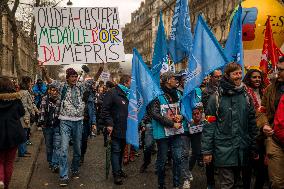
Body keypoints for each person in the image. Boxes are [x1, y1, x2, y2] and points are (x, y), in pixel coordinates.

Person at [202, 62, 258, 189]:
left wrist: (254, 145)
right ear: (227, 75)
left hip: (242, 149)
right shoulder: (216, 98)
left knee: (239, 184)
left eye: (240, 73)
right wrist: (207, 151)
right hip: (224, 149)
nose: (238, 76)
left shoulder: (246, 96)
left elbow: (252, 123)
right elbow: (209, 126)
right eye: (235, 74)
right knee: (227, 184)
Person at [41, 67, 97, 187]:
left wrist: (101, 68)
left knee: (77, 148)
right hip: (65, 121)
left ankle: (75, 169)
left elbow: (94, 80)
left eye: (76, 76)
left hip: (78, 122)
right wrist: (44, 71)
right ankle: (64, 175)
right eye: (72, 76)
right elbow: (50, 81)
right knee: (64, 148)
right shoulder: (62, 86)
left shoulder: (81, 86)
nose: (74, 78)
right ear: (67, 78)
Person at [149, 71, 184, 189]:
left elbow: (183, 109)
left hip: (176, 132)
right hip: (162, 134)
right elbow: (154, 114)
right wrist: (172, 123)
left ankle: (176, 184)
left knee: (178, 158)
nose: (178, 80)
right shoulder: (156, 95)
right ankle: (161, 184)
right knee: (162, 160)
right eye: (175, 78)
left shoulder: (179, 93)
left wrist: (182, 116)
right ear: (168, 80)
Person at [258, 56, 284, 189]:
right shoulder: (270, 89)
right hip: (275, 140)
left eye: (281, 70)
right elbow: (261, 111)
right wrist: (265, 124)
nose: (277, 73)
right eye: (277, 69)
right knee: (277, 183)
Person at [101, 75, 131, 185]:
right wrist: (109, 123)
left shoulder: (128, 94)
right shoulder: (112, 93)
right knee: (116, 151)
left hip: (125, 128)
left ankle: (119, 169)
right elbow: (105, 110)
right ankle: (116, 175)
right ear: (126, 83)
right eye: (130, 82)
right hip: (115, 127)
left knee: (121, 151)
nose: (131, 84)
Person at [243, 69, 269, 188]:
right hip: (249, 134)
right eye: (254, 77)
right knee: (248, 167)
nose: (257, 79)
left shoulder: (265, 92)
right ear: (249, 78)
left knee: (263, 167)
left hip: (263, 134)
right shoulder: (244, 93)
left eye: (259, 77)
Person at [0, 77, 26, 189]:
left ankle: (0, 179)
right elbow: (22, 113)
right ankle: (5, 185)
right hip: (13, 134)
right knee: (9, 162)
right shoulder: (16, 99)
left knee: (0, 160)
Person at [201, 69, 222, 189]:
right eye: (216, 77)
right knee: (210, 156)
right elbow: (208, 109)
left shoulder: (224, 89)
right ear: (211, 77)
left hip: (223, 126)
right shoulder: (206, 92)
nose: (219, 79)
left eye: (221, 76)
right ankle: (210, 182)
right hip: (212, 122)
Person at [38, 84, 61, 173]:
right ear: (49, 91)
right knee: (49, 146)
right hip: (47, 127)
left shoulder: (60, 100)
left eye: (56, 90)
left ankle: (55, 164)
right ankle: (50, 162)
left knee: (57, 145)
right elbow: (42, 112)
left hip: (57, 126)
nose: (54, 92)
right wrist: (41, 123)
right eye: (52, 90)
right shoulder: (44, 99)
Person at [18, 76, 38, 156]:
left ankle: (24, 150)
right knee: (24, 134)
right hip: (24, 117)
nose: (32, 83)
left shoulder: (25, 91)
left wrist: (36, 111)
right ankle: (22, 152)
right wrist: (26, 118)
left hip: (25, 116)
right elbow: (24, 106)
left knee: (25, 134)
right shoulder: (25, 92)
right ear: (27, 83)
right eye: (30, 82)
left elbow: (31, 103)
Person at [80, 80, 97, 164]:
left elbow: (93, 110)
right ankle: (78, 157)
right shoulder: (78, 94)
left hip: (87, 122)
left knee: (84, 141)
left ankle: (82, 154)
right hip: (78, 121)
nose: (94, 87)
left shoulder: (91, 97)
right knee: (78, 140)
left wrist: (93, 123)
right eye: (92, 85)